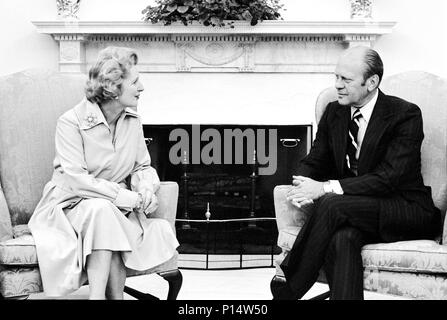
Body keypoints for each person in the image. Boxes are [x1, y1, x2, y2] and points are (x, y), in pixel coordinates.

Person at [274, 46, 441, 300]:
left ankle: (289, 289)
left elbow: (390, 177)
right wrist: (302, 184)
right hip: (354, 212)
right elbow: (314, 160)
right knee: (342, 238)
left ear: (371, 82)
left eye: (346, 80)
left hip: (405, 209)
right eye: (336, 77)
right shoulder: (334, 112)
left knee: (331, 204)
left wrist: (325, 188)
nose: (338, 85)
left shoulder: (404, 115)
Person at [28, 46, 179, 299]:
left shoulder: (133, 120)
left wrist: (145, 188)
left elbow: (143, 166)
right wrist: (126, 197)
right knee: (101, 210)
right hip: (70, 205)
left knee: (104, 213)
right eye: (135, 82)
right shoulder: (70, 122)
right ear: (113, 87)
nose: (142, 88)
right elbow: (76, 180)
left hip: (114, 209)